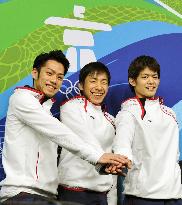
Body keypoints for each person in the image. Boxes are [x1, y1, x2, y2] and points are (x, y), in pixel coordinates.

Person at [0, 50, 128, 204]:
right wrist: (98, 157)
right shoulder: (21, 99)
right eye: (49, 73)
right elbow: (59, 132)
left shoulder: (46, 108)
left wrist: (103, 164)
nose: (54, 80)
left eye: (59, 77)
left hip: (46, 195)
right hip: (22, 193)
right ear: (35, 73)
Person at [112, 55, 182, 205]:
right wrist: (121, 159)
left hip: (174, 195)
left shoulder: (170, 113)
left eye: (155, 77)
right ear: (132, 80)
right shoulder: (128, 113)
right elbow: (122, 145)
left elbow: (174, 154)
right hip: (143, 196)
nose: (151, 81)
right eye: (145, 77)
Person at [57, 62, 130, 205]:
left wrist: (112, 200)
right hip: (73, 193)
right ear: (81, 86)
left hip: (102, 196)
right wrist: (104, 160)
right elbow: (84, 140)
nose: (99, 87)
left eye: (104, 82)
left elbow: (112, 167)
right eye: (93, 81)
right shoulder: (71, 107)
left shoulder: (111, 120)